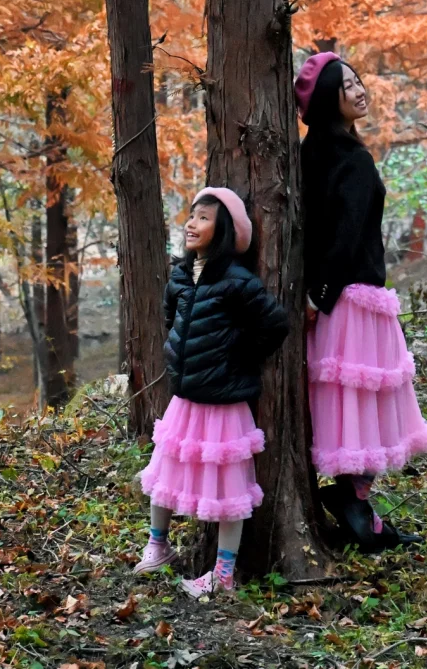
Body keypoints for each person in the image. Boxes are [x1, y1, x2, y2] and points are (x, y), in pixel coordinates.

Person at [297, 52, 427, 552]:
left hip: (334, 298)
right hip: (350, 300)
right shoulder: (351, 160)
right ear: (329, 99)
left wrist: (317, 294)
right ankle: (355, 503)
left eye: (359, 80)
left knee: (347, 404)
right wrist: (325, 294)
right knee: (363, 405)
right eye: (347, 84)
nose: (360, 90)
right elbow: (344, 236)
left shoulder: (309, 155)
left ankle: (355, 504)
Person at [134, 186, 288, 596]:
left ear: (223, 230)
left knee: (227, 486)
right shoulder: (181, 274)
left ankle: (222, 575)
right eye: (191, 215)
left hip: (224, 398)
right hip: (186, 396)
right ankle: (157, 545)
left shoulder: (237, 281)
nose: (191, 223)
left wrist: (236, 356)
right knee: (165, 467)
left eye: (203, 217)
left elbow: (275, 325)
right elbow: (171, 317)